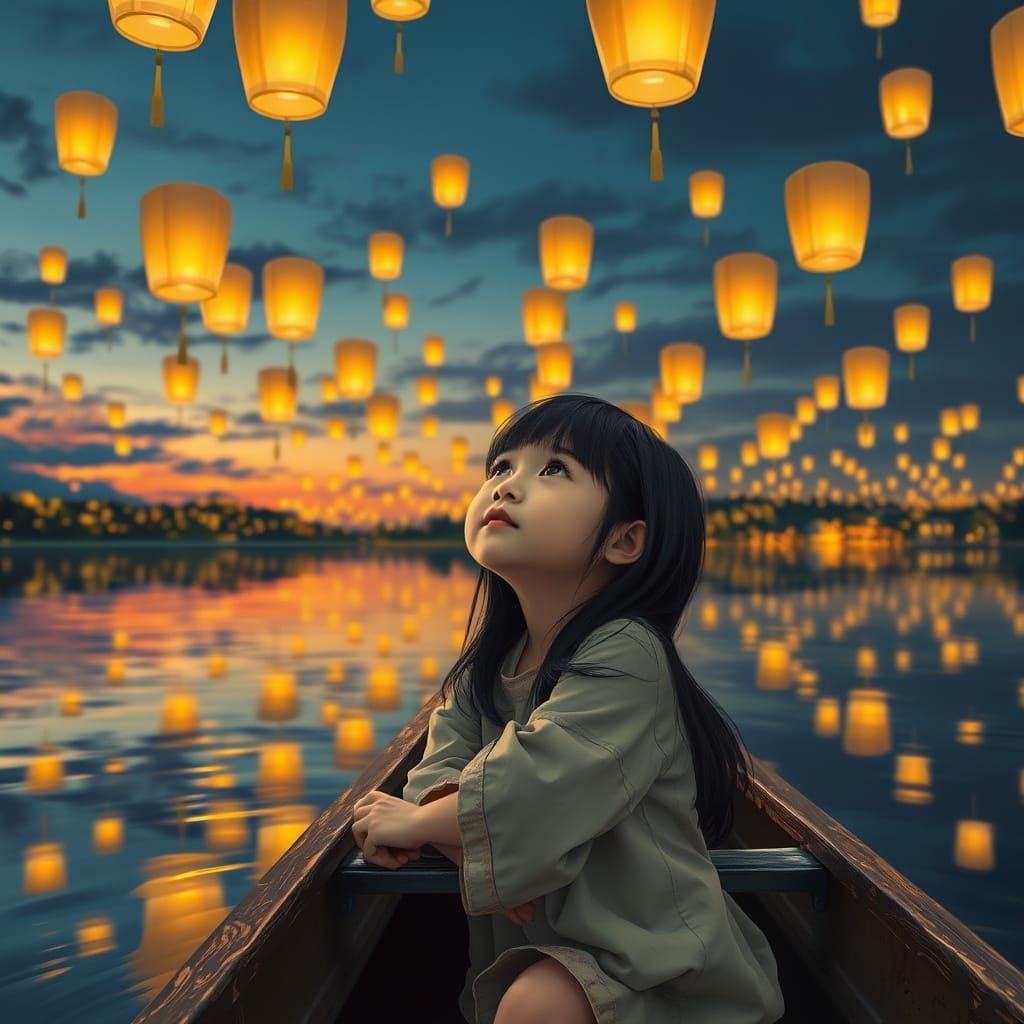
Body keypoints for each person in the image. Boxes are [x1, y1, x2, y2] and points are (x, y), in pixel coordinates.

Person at [352, 393, 786, 1024]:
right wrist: (458, 837)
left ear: (625, 539)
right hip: (552, 949)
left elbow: (541, 780)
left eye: (553, 470)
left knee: (533, 1007)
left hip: (652, 962)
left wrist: (421, 828)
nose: (508, 487)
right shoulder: (485, 666)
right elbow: (442, 758)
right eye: (501, 467)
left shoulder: (629, 652)